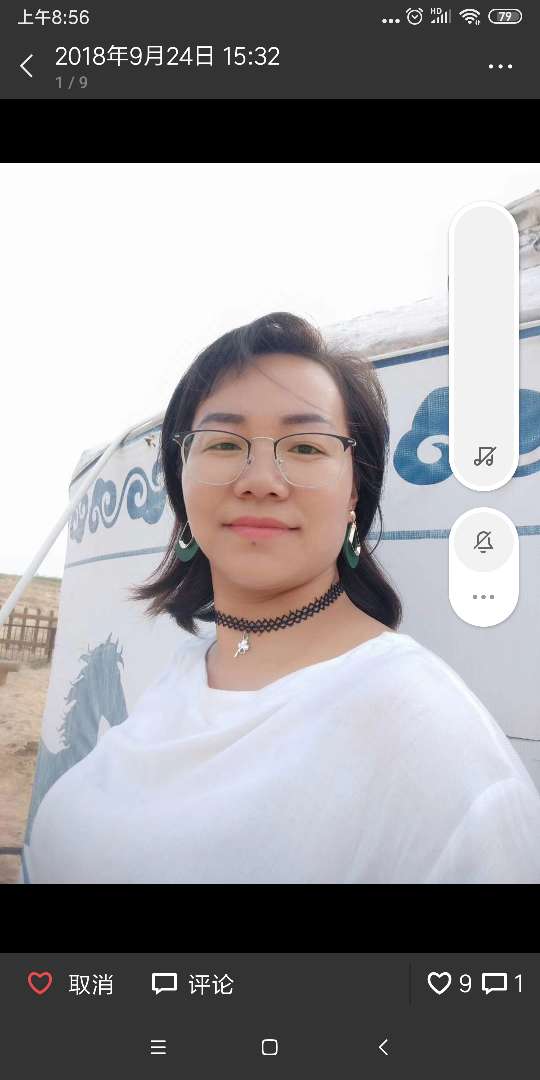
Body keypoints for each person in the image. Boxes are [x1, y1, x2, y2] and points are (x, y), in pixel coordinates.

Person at [24, 312, 540, 883]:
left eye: (306, 447)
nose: (261, 480)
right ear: (181, 482)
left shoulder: (432, 744)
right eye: (224, 442)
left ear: (354, 492)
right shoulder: (184, 675)